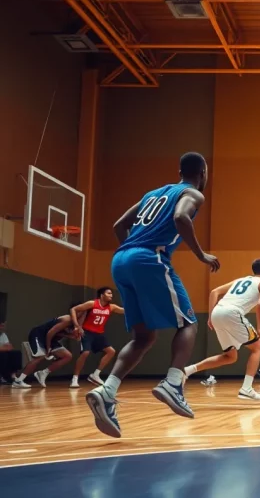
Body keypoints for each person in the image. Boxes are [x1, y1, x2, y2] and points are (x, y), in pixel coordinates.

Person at [86, 152, 220, 439]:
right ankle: (173, 383)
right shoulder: (193, 193)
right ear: (203, 172)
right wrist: (201, 255)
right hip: (149, 259)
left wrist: (133, 252)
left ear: (178, 169)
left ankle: (106, 391)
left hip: (121, 261)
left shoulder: (153, 193)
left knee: (144, 337)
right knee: (188, 322)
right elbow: (181, 216)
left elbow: (118, 226)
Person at [184, 259, 260, 400]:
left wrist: (210, 316)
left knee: (230, 357)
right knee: (257, 349)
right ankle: (246, 388)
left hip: (218, 311)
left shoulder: (240, 280)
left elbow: (215, 292)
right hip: (232, 312)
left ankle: (187, 371)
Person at [69, 286, 125, 388]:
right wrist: (77, 325)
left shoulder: (111, 307)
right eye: (108, 293)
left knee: (111, 351)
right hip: (87, 332)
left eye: (111, 294)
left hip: (99, 334)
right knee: (85, 353)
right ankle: (75, 379)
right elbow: (74, 309)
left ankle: (95, 374)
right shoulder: (92, 303)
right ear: (101, 295)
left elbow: (123, 310)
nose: (111, 295)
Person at [11, 311, 83, 389]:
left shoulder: (77, 324)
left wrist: (71, 336)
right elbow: (50, 333)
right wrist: (48, 348)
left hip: (50, 338)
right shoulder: (67, 320)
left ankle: (43, 373)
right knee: (40, 357)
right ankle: (18, 381)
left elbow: (58, 334)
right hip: (39, 335)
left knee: (67, 356)